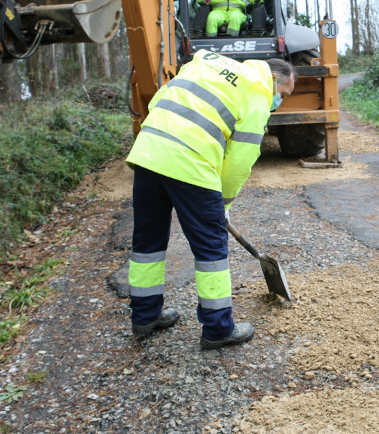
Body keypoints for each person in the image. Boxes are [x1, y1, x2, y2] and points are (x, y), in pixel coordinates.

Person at [125, 50, 296, 350]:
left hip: (149, 150)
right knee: (211, 249)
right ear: (272, 78)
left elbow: (158, 101)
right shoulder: (256, 90)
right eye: (282, 94)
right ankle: (218, 329)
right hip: (191, 160)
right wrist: (223, 206)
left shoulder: (208, 63)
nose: (279, 102)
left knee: (147, 243)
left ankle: (145, 316)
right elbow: (239, 161)